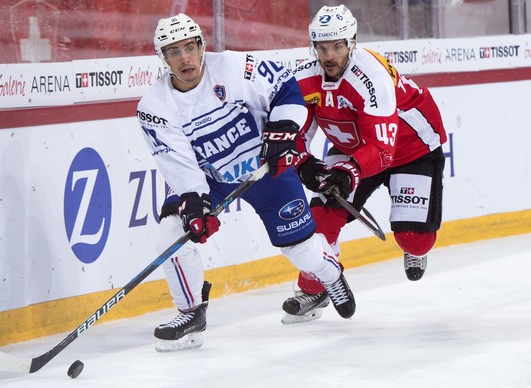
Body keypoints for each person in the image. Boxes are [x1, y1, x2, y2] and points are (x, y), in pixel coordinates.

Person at [137, 13, 356, 352]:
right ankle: (191, 312)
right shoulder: (154, 106)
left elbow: (286, 91)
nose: (185, 58)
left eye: (189, 48)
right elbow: (177, 162)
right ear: (163, 59)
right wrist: (196, 202)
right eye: (174, 52)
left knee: (300, 249)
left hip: (266, 170)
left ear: (201, 46)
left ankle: (331, 277)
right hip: (213, 177)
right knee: (172, 231)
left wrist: (283, 129)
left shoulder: (234, 67)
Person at [281, 5, 447, 322]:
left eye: (337, 46)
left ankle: (415, 247)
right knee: (322, 216)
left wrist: (348, 173)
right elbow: (294, 132)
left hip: (411, 147)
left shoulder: (371, 77)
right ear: (313, 46)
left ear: (352, 43)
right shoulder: (304, 79)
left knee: (414, 238)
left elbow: (382, 150)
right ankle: (314, 288)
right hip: (353, 146)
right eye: (322, 47)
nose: (329, 55)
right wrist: (304, 164)